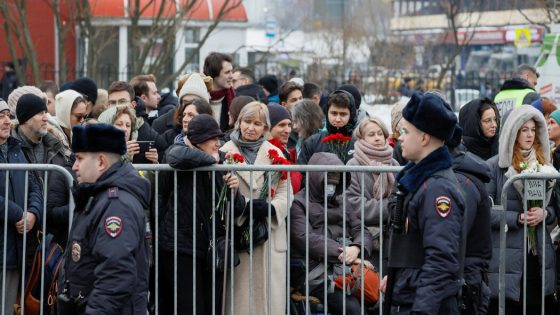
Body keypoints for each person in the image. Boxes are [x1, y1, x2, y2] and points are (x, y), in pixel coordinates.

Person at [381, 92, 465, 314]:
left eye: (406, 131)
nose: (399, 137)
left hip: (425, 305)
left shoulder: (437, 189)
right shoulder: (417, 180)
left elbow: (439, 261)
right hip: (409, 296)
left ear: (425, 137)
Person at [57, 123, 150, 314]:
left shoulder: (117, 206)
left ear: (101, 162)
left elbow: (115, 275)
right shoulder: (98, 197)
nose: (74, 167)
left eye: (80, 159)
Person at [160, 114, 245, 314]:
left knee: (212, 307)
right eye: (213, 139)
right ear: (197, 141)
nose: (218, 144)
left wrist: (234, 190)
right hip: (182, 245)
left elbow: (237, 209)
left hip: (211, 248)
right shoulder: (180, 151)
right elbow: (175, 156)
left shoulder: (222, 161)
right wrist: (212, 161)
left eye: (219, 138)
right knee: (188, 307)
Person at [220, 101, 292, 315]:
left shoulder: (277, 153)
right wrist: (242, 207)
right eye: (247, 121)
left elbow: (286, 191)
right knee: (239, 303)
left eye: (257, 123)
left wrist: (271, 209)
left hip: (268, 235)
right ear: (239, 123)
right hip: (239, 233)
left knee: (269, 304)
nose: (251, 127)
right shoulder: (224, 152)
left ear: (265, 128)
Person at [486, 105, 557, 314]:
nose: (529, 134)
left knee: (536, 304)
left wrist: (545, 213)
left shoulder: (545, 165)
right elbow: (486, 212)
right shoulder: (495, 167)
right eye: (523, 129)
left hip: (538, 254)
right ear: (513, 132)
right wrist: (517, 218)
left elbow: (553, 208)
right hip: (508, 255)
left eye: (533, 130)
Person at [291, 152, 373, 315]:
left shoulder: (343, 200)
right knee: (352, 309)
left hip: (348, 267)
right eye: (328, 182)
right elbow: (306, 238)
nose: (331, 187)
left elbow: (360, 229)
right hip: (316, 272)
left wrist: (357, 248)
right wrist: (346, 254)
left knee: (378, 299)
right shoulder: (298, 203)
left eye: (336, 183)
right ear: (316, 178)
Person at [0, 99, 42, 315]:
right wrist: (19, 215)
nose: (7, 121)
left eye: (8, 115)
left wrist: (33, 213)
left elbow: (34, 186)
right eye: (1, 116)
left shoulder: (16, 149)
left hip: (17, 251)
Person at [446, 126, 493, 314]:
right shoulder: (453, 176)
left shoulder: (460, 181)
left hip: (463, 281)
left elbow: (452, 237)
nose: (402, 139)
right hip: (460, 277)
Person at [346, 118, 399, 242]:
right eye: (371, 135)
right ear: (361, 138)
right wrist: (391, 207)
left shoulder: (393, 163)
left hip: (393, 235)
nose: (377, 138)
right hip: (363, 235)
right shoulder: (353, 165)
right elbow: (353, 205)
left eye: (380, 134)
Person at [12, 93, 67, 184]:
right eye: (40, 113)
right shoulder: (9, 147)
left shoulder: (56, 146)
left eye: (45, 112)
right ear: (26, 118)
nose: (46, 118)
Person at [298, 90, 357, 165]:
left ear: (351, 115)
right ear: (327, 113)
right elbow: (301, 173)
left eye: (343, 114)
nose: (337, 119)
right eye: (334, 113)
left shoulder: (358, 143)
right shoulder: (312, 142)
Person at [267, 103, 302, 194]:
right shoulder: (268, 153)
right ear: (268, 127)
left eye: (289, 125)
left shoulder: (285, 151)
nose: (288, 130)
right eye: (282, 125)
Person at [50, 89, 88, 159]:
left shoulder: (72, 132)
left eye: (85, 117)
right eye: (79, 116)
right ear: (65, 114)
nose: (82, 120)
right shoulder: (52, 135)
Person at [204, 52, 235, 131]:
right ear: (214, 74)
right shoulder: (197, 98)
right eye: (227, 72)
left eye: (231, 71)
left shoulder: (235, 100)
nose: (232, 76)